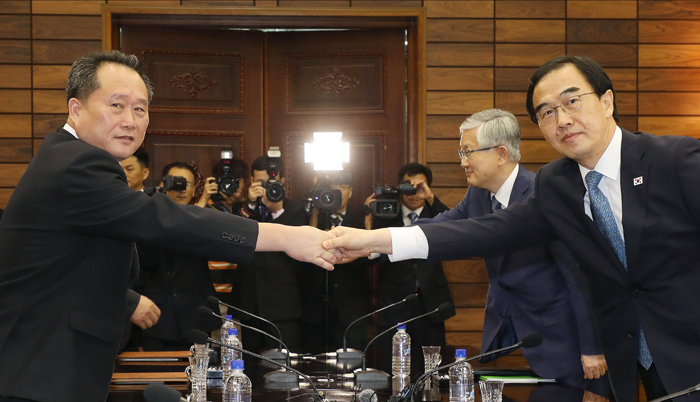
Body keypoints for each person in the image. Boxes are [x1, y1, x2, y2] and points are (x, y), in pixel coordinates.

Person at [325, 56, 700, 402]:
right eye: (547, 112)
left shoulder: (674, 160)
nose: (563, 120)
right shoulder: (557, 184)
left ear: (606, 101)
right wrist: (374, 239)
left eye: (572, 102)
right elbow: (482, 232)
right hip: (637, 357)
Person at [0, 50, 339, 402]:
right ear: (76, 109)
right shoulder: (76, 165)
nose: (131, 120)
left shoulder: (69, 157)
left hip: (43, 369)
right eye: (117, 105)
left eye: (140, 109)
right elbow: (166, 221)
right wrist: (286, 236)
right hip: (36, 373)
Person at [416, 109, 609, 394]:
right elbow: (443, 228)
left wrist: (593, 348)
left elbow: (579, 279)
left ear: (501, 154)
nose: (462, 162)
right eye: (461, 152)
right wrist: (374, 241)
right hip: (509, 339)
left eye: (468, 152)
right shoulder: (478, 195)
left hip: (564, 344)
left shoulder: (543, 195)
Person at [370, 163, 456, 370]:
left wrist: (432, 198)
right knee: (393, 366)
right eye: (408, 186)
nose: (413, 192)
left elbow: (457, 230)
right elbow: (372, 256)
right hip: (395, 300)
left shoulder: (437, 215)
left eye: (419, 186)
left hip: (430, 304)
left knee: (431, 368)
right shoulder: (387, 214)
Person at [133, 162, 221, 351]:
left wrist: (203, 205)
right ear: (164, 184)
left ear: (196, 188)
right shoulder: (147, 213)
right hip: (157, 318)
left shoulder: (206, 217)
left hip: (197, 316)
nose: (182, 189)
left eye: (188, 184)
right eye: (176, 182)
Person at [229, 155, 307, 352]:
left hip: (283, 305)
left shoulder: (294, 211)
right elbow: (235, 239)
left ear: (281, 181)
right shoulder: (242, 209)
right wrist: (252, 205)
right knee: (250, 364)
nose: (264, 187)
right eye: (258, 182)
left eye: (269, 182)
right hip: (249, 304)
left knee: (284, 367)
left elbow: (297, 244)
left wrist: (276, 212)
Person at [302, 172, 371, 352]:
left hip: (351, 309)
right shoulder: (309, 216)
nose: (337, 192)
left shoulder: (361, 218)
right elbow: (303, 257)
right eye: (332, 188)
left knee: (353, 363)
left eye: (342, 188)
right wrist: (314, 215)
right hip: (315, 308)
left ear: (351, 192)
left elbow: (368, 260)